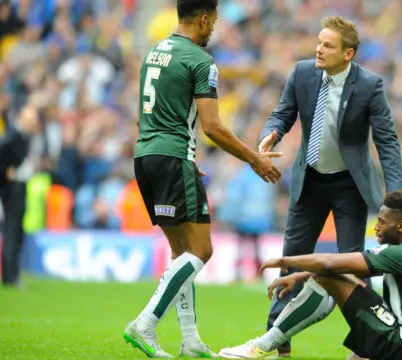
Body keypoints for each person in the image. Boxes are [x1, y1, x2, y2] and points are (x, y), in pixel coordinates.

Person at [123, 0, 282, 358]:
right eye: (213, 24)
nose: (214, 31)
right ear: (204, 19)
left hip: (146, 156)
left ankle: (190, 339)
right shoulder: (200, 60)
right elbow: (212, 126)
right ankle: (145, 324)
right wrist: (254, 159)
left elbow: (144, 116)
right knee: (202, 250)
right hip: (172, 158)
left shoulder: (155, 51)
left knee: (182, 252)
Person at [257, 15, 402, 357]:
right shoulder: (303, 73)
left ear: (348, 54)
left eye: (327, 45)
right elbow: (283, 113)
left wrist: (396, 195)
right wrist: (271, 132)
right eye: (319, 42)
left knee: (351, 267)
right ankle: (278, 340)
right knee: (292, 260)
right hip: (309, 181)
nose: (318, 50)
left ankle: (370, 341)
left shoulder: (370, 85)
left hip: (348, 187)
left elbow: (388, 141)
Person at [219, 191, 402, 360]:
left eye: (381, 222)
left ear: (400, 225)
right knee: (343, 278)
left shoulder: (401, 254)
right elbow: (348, 269)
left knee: (326, 278)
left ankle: (264, 346)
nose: (376, 228)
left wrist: (283, 261)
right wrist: (299, 277)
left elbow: (329, 264)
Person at [0, 106, 39, 288]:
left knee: (15, 232)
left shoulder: (19, 136)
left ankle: (12, 274)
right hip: (12, 190)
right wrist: (5, 172)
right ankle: (10, 276)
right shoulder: (13, 136)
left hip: (18, 188)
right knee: (12, 232)